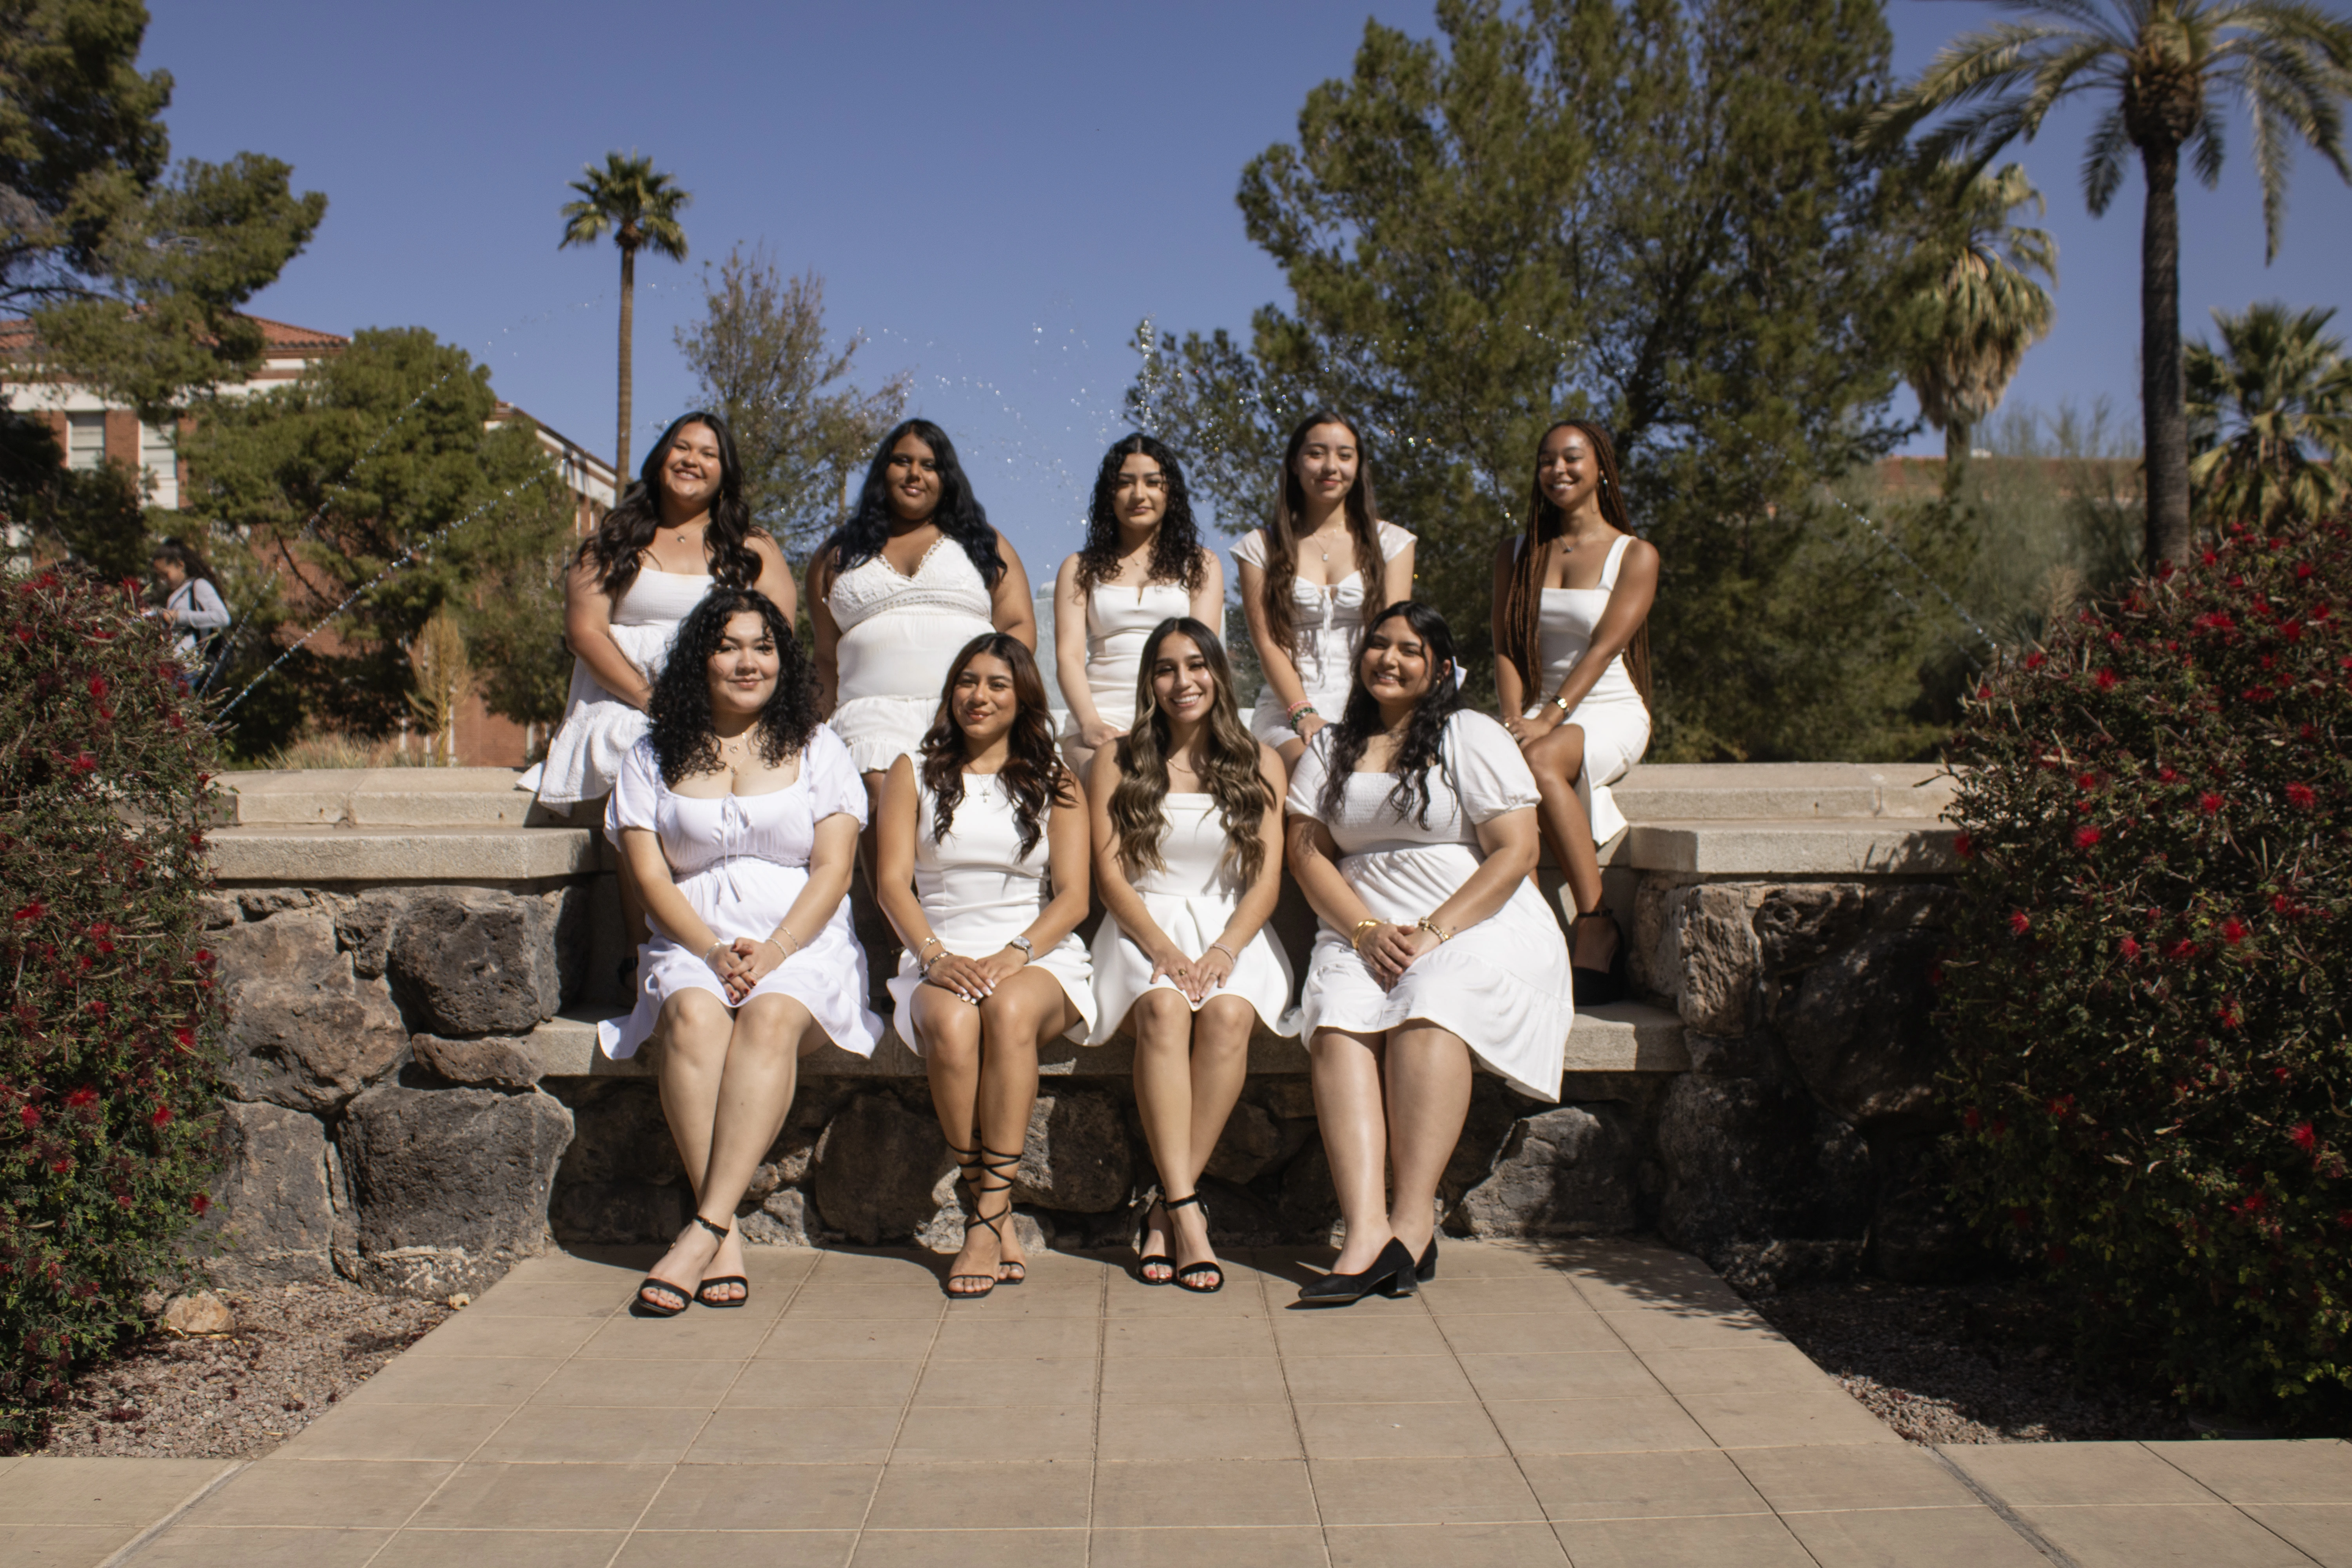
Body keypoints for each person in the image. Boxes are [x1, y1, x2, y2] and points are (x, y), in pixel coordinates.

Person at [601, 586, 880, 1316]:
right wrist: (712, 949)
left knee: (770, 1019)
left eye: (763, 646)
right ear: (703, 659)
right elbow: (650, 872)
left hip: (801, 938)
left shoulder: (819, 748)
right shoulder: (651, 754)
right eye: (728, 646)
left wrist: (777, 949)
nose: (747, 661)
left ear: (783, 660)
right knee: (692, 1019)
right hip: (692, 937)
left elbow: (834, 870)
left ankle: (699, 1232)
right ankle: (719, 1232)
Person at [1285, 602, 1574, 1305]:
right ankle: (1364, 1233)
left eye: (1410, 649)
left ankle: (1413, 1224)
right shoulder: (1330, 746)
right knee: (1336, 1014)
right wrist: (1362, 931)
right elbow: (1305, 852)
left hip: (1474, 920)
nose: (1389, 658)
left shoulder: (1469, 735)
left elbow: (1517, 851)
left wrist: (1433, 933)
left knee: (1432, 1001)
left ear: (1440, 667)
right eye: (1378, 645)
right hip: (1360, 926)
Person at [875, 634, 1093, 1299]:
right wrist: (935, 958)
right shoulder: (911, 769)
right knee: (951, 1023)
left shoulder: (1057, 779)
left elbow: (1075, 897)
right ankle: (992, 1206)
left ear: (1023, 695)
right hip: (938, 950)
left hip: (1034, 952)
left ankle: (982, 1216)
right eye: (967, 681)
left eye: (998, 684)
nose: (979, 695)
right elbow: (890, 884)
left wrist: (1013, 954)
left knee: (1007, 1008)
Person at [540, 412, 797, 958]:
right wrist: (652, 700)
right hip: (626, 701)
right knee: (636, 755)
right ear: (660, 460)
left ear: (724, 473)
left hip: (723, 703)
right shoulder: (612, 541)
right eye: (682, 448)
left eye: (708, 453)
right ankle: (643, 951)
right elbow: (585, 632)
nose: (692, 460)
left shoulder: (753, 549)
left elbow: (779, 634)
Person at [1086, 618, 1290, 1292]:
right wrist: (1167, 950)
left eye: (1197, 665)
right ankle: (1188, 1214)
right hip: (1146, 925)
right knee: (1165, 1013)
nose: (1183, 682)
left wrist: (1226, 949)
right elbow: (1111, 876)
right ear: (1150, 682)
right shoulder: (1116, 759)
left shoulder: (1261, 760)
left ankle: (1166, 1207)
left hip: (1233, 928)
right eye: (1167, 669)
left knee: (1229, 1017)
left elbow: (1266, 881)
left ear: (1219, 673)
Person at [809, 419, 1038, 873]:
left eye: (930, 465)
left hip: (963, 710)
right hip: (869, 714)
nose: (916, 473)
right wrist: (813, 732)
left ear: (946, 478)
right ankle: (901, 936)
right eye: (903, 461)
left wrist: (995, 698)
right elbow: (823, 654)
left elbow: (1016, 624)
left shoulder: (983, 543)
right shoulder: (837, 555)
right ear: (883, 471)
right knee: (880, 789)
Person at [1490, 420, 1657, 1000]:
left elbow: (1606, 646)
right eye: (1546, 460)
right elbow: (1507, 647)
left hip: (1605, 708)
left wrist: (1549, 718)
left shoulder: (1634, 555)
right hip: (1533, 712)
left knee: (1537, 765)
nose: (1557, 470)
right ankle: (1529, 932)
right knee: (1490, 773)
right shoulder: (1515, 552)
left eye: (1572, 458)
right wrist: (1515, 719)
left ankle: (1595, 923)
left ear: (1601, 468)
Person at [1234, 411, 1414, 776]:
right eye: (1316, 454)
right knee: (1310, 766)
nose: (1331, 467)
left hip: (1371, 702)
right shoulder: (1260, 547)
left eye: (1345, 456)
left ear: (1358, 466)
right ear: (1294, 464)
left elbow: (1392, 639)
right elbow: (1267, 643)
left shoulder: (1392, 543)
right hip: (1288, 708)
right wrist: (1303, 712)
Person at [1053, 434, 1224, 776]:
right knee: (1101, 780)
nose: (1139, 495)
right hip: (1100, 719)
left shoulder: (1200, 564)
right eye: (1125, 484)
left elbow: (1203, 652)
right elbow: (1068, 656)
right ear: (1109, 494)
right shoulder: (1079, 567)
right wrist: (1090, 724)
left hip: (1176, 715)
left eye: (1153, 483)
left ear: (1170, 492)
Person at [149, 539, 229, 672]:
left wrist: (179, 616)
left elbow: (223, 618)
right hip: (175, 668)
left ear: (180, 565)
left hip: (193, 668)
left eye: (166, 575)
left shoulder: (199, 585)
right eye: (160, 577)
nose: (163, 581)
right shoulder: (175, 597)